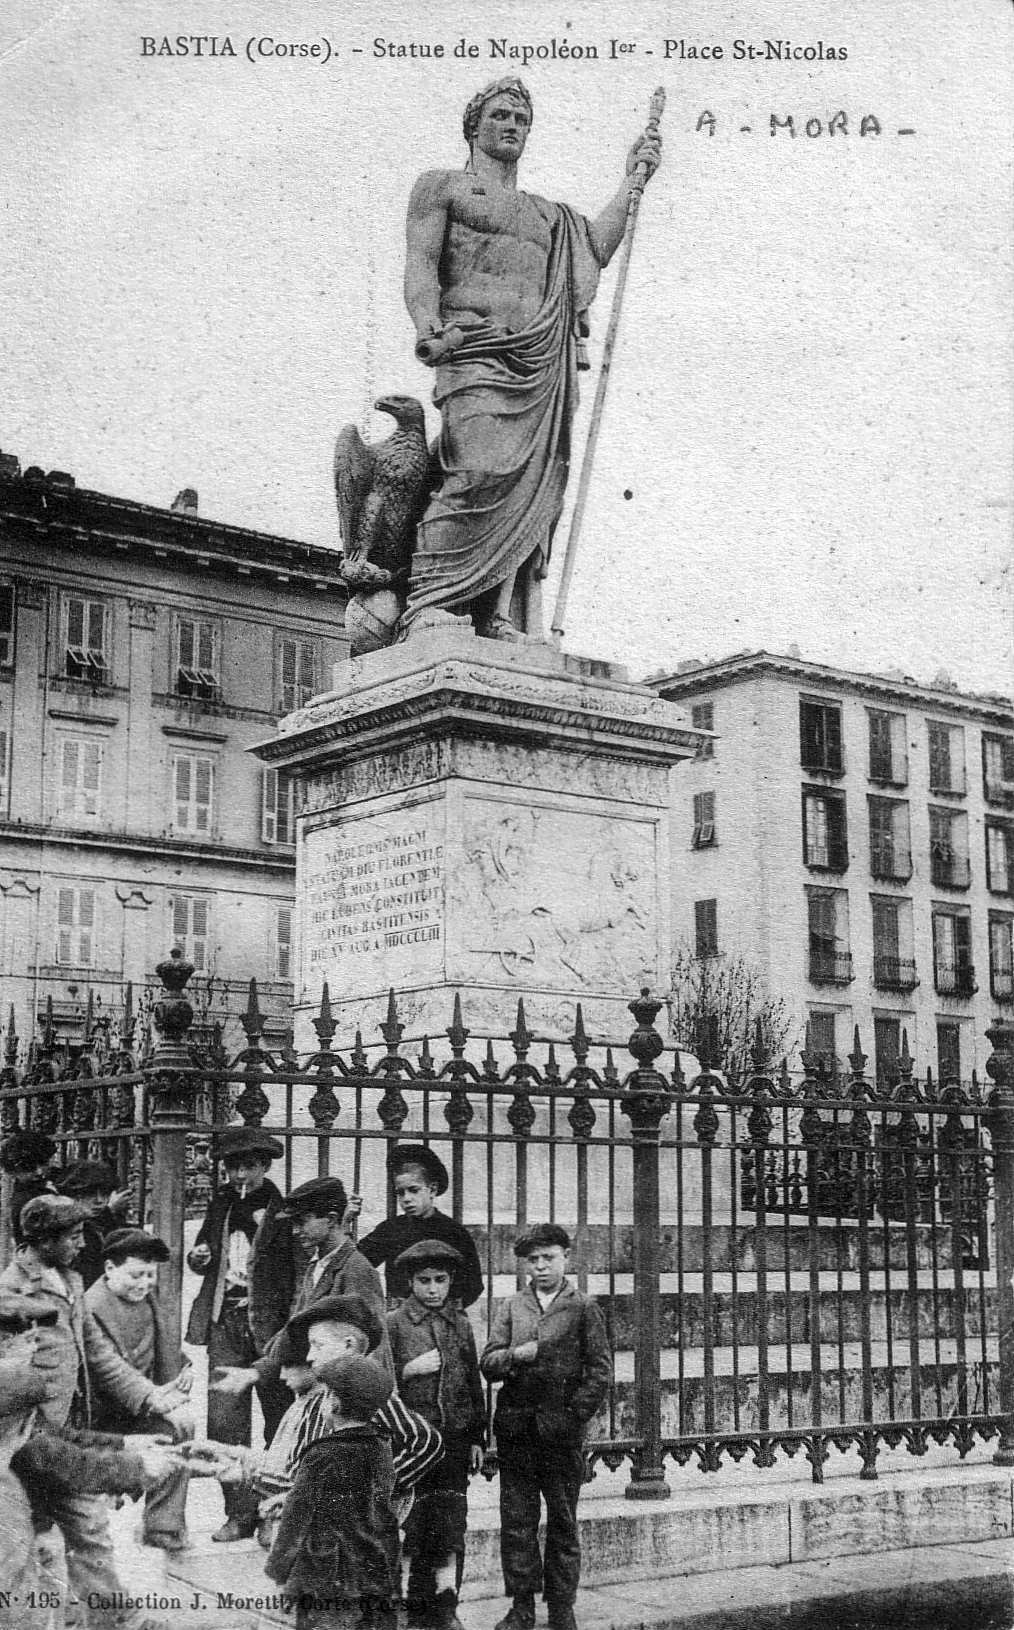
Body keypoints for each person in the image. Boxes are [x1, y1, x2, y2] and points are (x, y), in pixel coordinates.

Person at [400, 78, 661, 641]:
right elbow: (421, 266)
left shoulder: (549, 217)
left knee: (532, 485)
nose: (513, 124)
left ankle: (496, 616)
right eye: (501, 115)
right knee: (477, 470)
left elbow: (593, 250)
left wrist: (632, 180)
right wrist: (429, 327)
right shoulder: (441, 188)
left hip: (539, 360)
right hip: (472, 349)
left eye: (522, 117)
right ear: (474, 125)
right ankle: (427, 602)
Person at [0, 1197, 190, 1630]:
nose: (81, 1244)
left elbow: (99, 1354)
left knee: (86, 1526)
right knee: (34, 1535)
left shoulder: (69, 1279)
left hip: (62, 1429)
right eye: (72, 1237)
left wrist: (149, 1397)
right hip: (23, 1437)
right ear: (42, 1240)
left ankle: (108, 1617)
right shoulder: (12, 1293)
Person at [197, 1295, 443, 1547]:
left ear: (348, 1346)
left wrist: (376, 1490)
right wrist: (240, 1470)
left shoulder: (368, 1394)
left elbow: (426, 1442)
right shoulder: (317, 1401)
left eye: (317, 1345)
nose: (311, 1356)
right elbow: (295, 1473)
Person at [480, 1224, 611, 1630]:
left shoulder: (583, 1307)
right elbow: (489, 1362)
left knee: (562, 1521)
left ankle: (560, 1606)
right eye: (533, 1260)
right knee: (517, 1521)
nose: (540, 1267)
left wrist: (574, 1416)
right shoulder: (512, 1307)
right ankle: (521, 1606)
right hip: (518, 1430)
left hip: (560, 1433)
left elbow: (600, 1371)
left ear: (565, 1258)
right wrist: (517, 1354)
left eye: (548, 1258)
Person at [185, 1124, 294, 1540]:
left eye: (250, 1166)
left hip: (268, 1327)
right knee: (225, 1421)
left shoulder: (281, 1210)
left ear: (265, 1166)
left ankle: (274, 1511)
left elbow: (293, 1268)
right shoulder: (221, 1203)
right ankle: (239, 1512)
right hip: (225, 1322)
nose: (241, 1175)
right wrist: (200, 1256)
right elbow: (204, 1253)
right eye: (234, 1167)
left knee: (280, 1419)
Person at [216, 1175, 391, 1410]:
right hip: (323, 1397)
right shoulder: (316, 1265)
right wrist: (254, 1373)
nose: (295, 1231)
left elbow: (371, 1350)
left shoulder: (356, 1270)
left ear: (330, 1220)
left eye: (302, 1222)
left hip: (347, 1403)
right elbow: (295, 1334)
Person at [387, 1241, 485, 1630]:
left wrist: (478, 1436)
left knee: (449, 1522)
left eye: (440, 1280)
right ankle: (409, 1605)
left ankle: (447, 1606)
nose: (432, 1289)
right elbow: (379, 1380)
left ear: (451, 1281)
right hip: (412, 1442)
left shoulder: (459, 1323)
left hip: (454, 1441)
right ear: (410, 1281)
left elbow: (473, 1382)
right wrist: (409, 1369)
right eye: (423, 1280)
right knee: (412, 1520)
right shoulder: (394, 1323)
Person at [264, 1354, 401, 1630]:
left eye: (325, 1395)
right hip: (375, 1566)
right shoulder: (381, 1447)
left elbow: (296, 1516)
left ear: (335, 1403)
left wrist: (280, 1569)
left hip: (327, 1572)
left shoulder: (321, 1454)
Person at [85, 1227, 193, 1552]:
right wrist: (154, 1397)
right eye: (135, 1275)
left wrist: (183, 1366)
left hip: (143, 1406)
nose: (144, 1284)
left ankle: (163, 1524)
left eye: (149, 1274)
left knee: (182, 1426)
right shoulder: (92, 1307)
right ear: (109, 1269)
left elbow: (160, 1345)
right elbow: (109, 1372)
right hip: (100, 1417)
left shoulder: (148, 1299)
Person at [348, 1145, 484, 1308]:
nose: (406, 1199)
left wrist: (445, 1311)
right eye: (400, 1192)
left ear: (432, 1189)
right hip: (399, 1321)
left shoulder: (453, 1231)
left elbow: (473, 1285)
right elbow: (354, 1264)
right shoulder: (390, 1229)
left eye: (414, 1190)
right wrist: (346, 1221)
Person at [58, 1161, 133, 1289]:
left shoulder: (105, 1222)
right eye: (90, 1194)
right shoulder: (67, 1227)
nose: (99, 1200)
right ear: (74, 1194)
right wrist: (108, 1212)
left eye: (104, 1194)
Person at [1, 1128, 58, 1246]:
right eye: (29, 1167)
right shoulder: (23, 1199)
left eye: (44, 1163)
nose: (39, 1172)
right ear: (12, 1171)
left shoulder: (52, 1181)